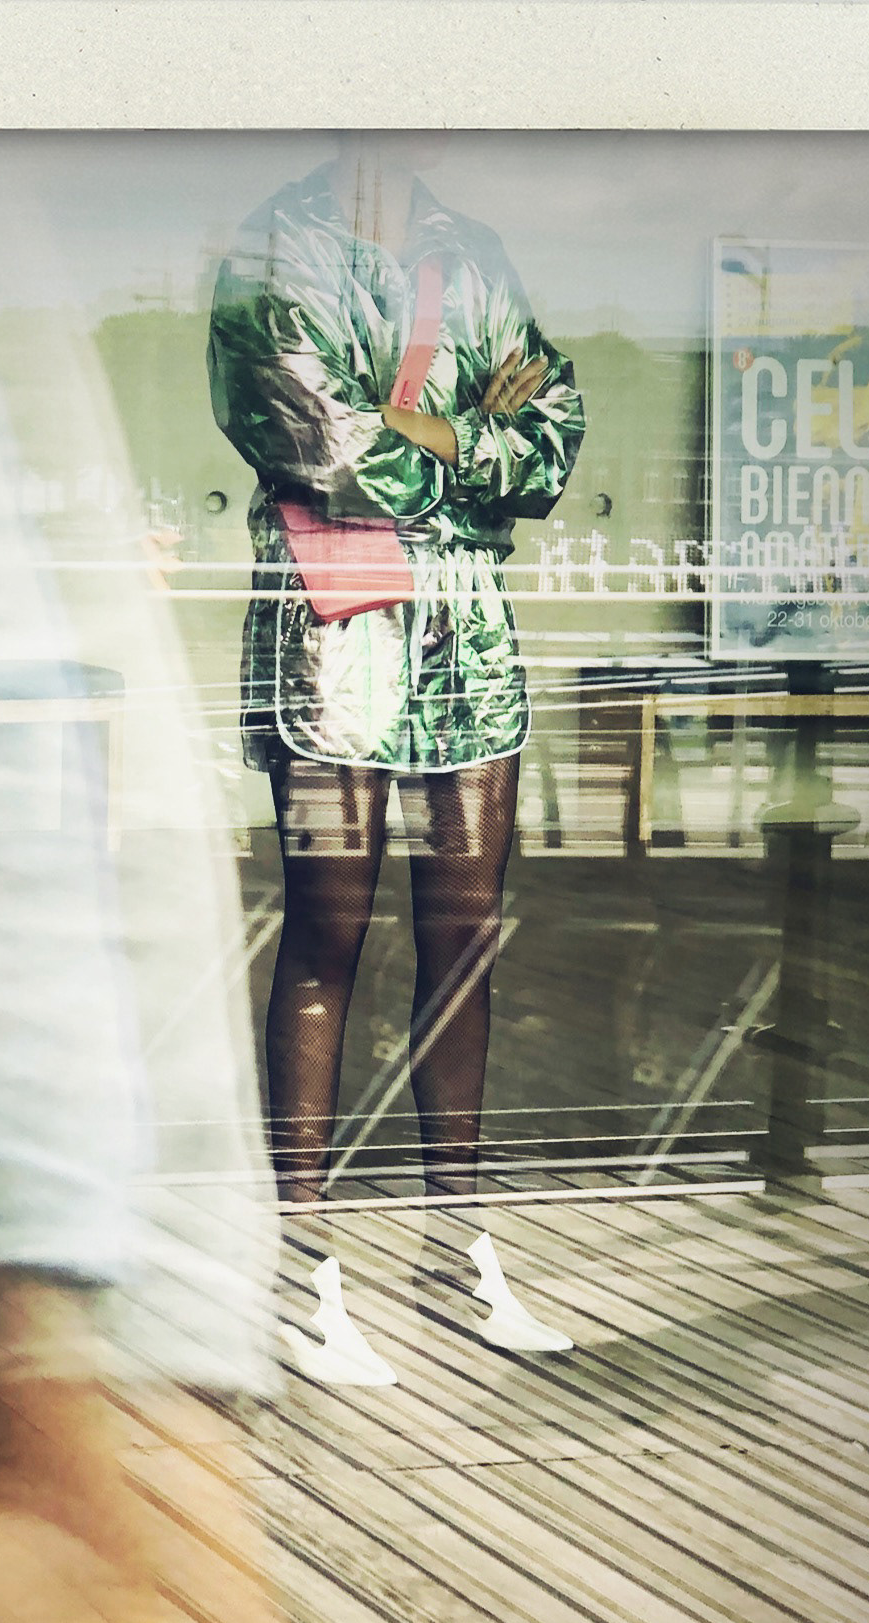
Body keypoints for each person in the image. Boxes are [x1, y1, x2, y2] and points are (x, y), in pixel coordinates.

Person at [208, 132, 585, 1354]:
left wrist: (428, 432)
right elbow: (326, 452)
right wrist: (467, 436)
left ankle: (454, 1248)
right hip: (338, 620)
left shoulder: (473, 253)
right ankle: (299, 1270)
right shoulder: (274, 253)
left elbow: (554, 437)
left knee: (464, 937)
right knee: (329, 931)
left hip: (466, 626)